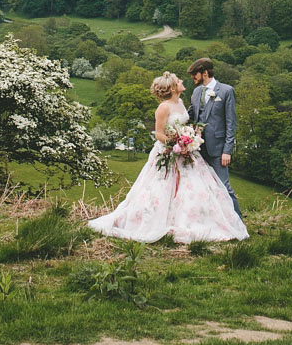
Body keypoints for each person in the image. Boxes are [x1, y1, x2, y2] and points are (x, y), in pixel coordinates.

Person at [87, 72, 247, 243]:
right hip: (168, 153)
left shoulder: (180, 102)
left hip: (187, 153)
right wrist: (177, 144)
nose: (182, 81)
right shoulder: (163, 107)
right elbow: (158, 134)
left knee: (194, 190)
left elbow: (185, 123)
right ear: (172, 88)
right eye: (178, 81)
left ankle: (193, 220)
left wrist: (191, 136)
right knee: (161, 189)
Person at [187, 57, 242, 220]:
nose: (192, 78)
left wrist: (227, 150)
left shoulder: (226, 91)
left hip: (218, 149)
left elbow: (231, 123)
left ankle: (238, 222)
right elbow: (190, 115)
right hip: (197, 148)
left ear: (205, 73)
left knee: (224, 187)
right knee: (201, 188)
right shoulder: (196, 92)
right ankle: (212, 221)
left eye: (195, 74)